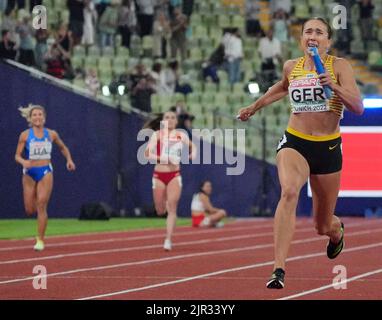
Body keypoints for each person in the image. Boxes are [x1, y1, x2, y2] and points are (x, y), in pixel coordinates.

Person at [237, 17, 364, 289]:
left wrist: (334, 86)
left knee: (322, 225)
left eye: (319, 32)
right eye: (308, 31)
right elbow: (281, 88)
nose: (313, 36)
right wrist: (254, 106)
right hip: (295, 141)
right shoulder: (291, 66)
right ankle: (278, 269)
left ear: (328, 41)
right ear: (302, 39)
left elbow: (358, 107)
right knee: (290, 191)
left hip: (328, 148)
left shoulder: (339, 66)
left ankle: (335, 232)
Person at [15, 104, 76, 251]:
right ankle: (36, 196)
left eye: (40, 114)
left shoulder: (51, 134)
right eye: (34, 115)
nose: (37, 117)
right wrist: (24, 162)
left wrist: (69, 160)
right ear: (30, 118)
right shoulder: (24, 135)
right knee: (30, 209)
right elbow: (17, 155)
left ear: (44, 117)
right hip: (29, 172)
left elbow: (63, 147)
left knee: (42, 205)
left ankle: (40, 240)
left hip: (45, 171)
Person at [144, 110, 196, 251]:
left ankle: (168, 239)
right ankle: (163, 208)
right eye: (167, 117)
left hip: (174, 175)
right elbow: (147, 153)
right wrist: (163, 158)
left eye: (173, 117)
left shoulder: (181, 135)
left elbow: (193, 146)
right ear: (163, 120)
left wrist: (192, 155)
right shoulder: (157, 135)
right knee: (160, 210)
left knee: (172, 207)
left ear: (176, 121)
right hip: (159, 175)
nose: (170, 119)